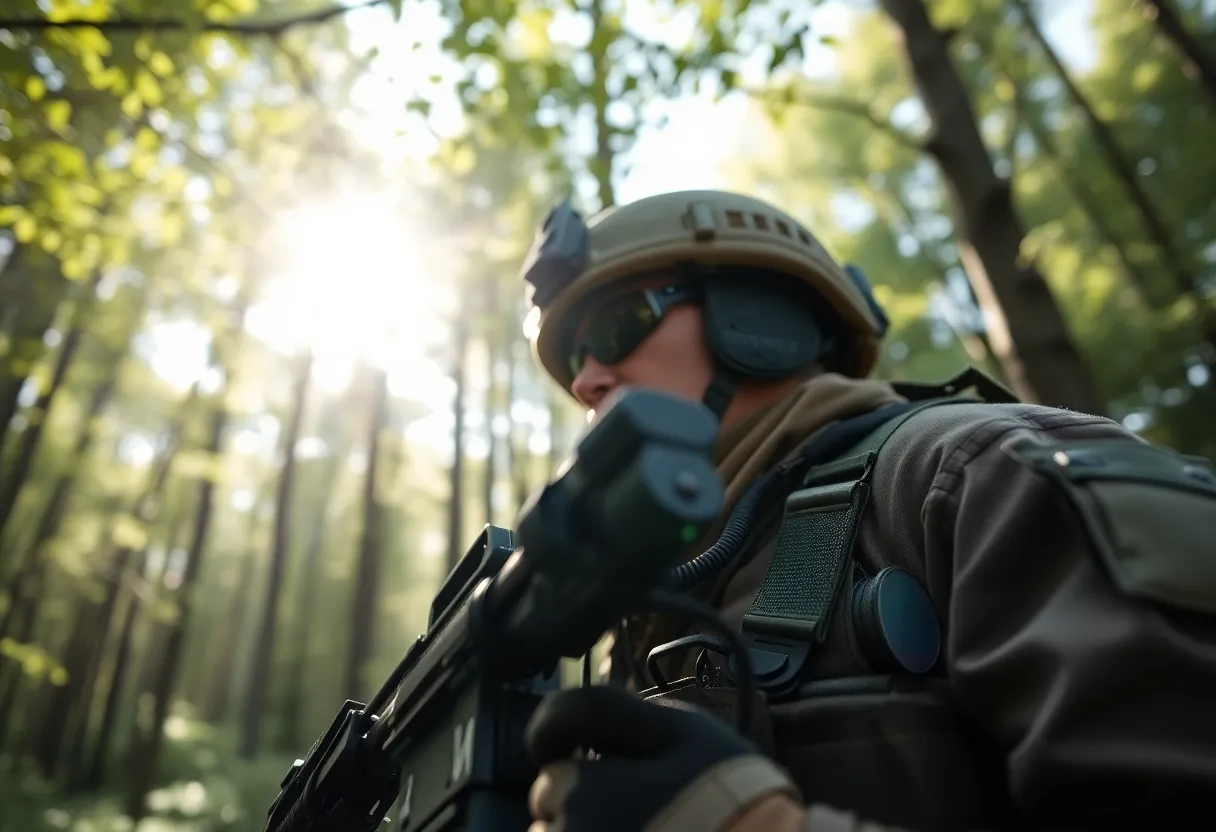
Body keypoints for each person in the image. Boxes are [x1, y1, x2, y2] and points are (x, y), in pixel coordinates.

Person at [513, 190, 1216, 832]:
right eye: (572, 357)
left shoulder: (973, 472)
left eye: (614, 326)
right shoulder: (648, 604)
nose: (584, 380)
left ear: (759, 319)